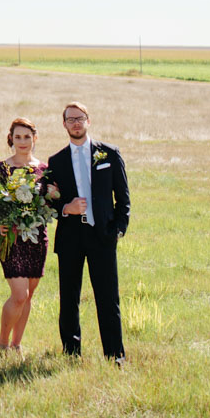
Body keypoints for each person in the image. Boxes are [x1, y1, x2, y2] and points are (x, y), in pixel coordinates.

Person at [47, 101, 130, 365]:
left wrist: (117, 230)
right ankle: (71, 354)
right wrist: (66, 208)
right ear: (64, 125)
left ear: (88, 121)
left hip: (102, 236)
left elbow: (123, 199)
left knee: (108, 298)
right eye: (70, 119)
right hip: (71, 238)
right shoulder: (56, 161)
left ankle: (115, 355)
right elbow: (49, 200)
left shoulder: (109, 154)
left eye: (80, 118)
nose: (76, 123)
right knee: (69, 298)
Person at [0, 117, 48, 355]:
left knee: (29, 295)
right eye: (17, 137)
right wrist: (1, 222)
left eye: (27, 137)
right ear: (10, 139)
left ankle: (16, 344)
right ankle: (2, 342)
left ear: (35, 138)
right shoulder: (1, 169)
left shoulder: (44, 170)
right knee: (19, 295)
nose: (22, 142)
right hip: (12, 239)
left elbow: (49, 203)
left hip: (37, 238)